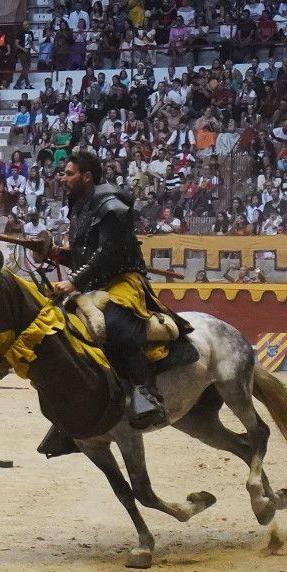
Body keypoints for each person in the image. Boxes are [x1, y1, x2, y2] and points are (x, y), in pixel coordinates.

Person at [41, 152, 189, 456]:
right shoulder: (80, 207)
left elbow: (108, 254)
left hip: (122, 281)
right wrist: (56, 253)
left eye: (69, 173)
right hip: (96, 283)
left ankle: (148, 396)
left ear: (87, 176)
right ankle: (73, 416)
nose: (63, 178)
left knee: (116, 326)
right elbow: (85, 255)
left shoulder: (112, 207)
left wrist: (73, 282)